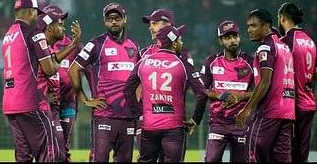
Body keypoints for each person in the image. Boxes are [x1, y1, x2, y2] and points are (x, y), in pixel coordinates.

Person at [124, 25, 222, 162]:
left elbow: (127, 90)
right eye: (180, 40)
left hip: (149, 126)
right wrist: (195, 119)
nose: (182, 43)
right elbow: (202, 93)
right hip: (174, 128)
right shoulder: (183, 64)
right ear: (174, 43)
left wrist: (139, 114)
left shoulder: (143, 62)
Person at [68, 2, 140, 162]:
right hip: (104, 116)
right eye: (109, 18)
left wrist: (137, 102)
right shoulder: (95, 44)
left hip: (128, 117)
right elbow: (73, 69)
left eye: (117, 18)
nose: (113, 21)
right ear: (104, 22)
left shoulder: (134, 46)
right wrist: (85, 100)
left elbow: (140, 77)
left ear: (125, 19)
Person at [1, 0, 60, 162]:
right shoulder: (33, 33)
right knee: (48, 152)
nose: (37, 16)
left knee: (23, 155)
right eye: (36, 12)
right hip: (31, 101)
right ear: (30, 11)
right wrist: (57, 57)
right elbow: (49, 70)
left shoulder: (8, 36)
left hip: (11, 103)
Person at [236, 9, 295, 162]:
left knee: (253, 154)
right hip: (288, 111)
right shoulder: (284, 46)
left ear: (266, 26)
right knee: (281, 159)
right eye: (248, 26)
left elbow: (265, 81)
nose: (249, 30)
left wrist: (247, 109)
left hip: (270, 111)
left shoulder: (266, 47)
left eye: (254, 26)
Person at [137, 8, 194, 161]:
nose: (150, 27)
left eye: (154, 23)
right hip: (147, 121)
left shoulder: (183, 55)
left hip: (173, 122)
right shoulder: (144, 52)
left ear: (168, 25)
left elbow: (187, 87)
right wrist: (138, 114)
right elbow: (136, 86)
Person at [198, 20, 254, 162]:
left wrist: (240, 97)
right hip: (218, 123)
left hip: (242, 123)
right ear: (220, 40)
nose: (232, 40)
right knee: (211, 160)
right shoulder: (211, 62)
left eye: (234, 36)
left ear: (239, 37)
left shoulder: (251, 62)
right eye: (227, 37)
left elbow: (262, 90)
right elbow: (201, 89)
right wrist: (220, 95)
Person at [36, 4, 82, 162]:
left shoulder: (72, 44)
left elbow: (87, 68)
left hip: (68, 103)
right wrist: (42, 95)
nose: (62, 22)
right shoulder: (39, 45)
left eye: (62, 19)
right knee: (49, 146)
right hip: (49, 104)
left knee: (63, 147)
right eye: (58, 19)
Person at [278, 2, 317, 162]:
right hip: (309, 103)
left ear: (282, 18)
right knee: (303, 154)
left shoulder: (286, 40)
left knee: (288, 152)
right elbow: (316, 74)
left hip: (294, 105)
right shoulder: (310, 41)